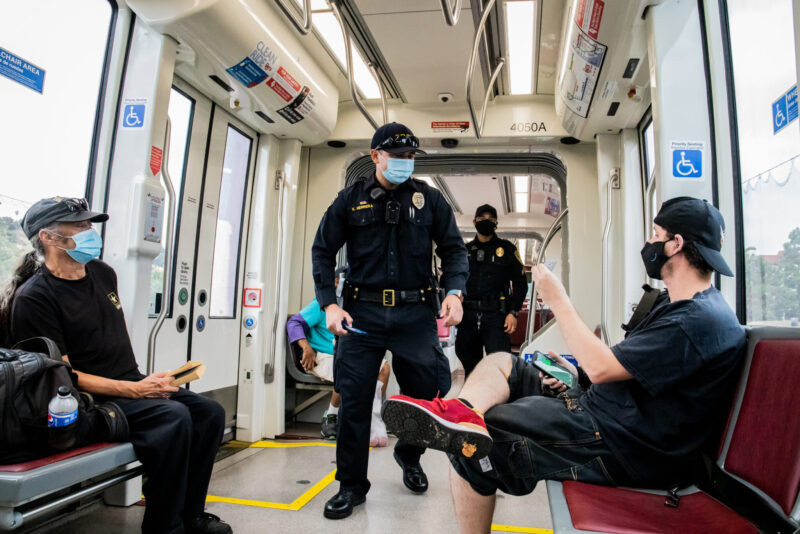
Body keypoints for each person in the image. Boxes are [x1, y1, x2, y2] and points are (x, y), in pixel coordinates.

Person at [382, 197, 746, 534]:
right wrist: (579, 377)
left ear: (675, 244)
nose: (649, 242)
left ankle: (469, 427)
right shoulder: (676, 307)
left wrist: (558, 299)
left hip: (619, 442)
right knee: (503, 362)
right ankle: (462, 411)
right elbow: (623, 369)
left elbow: (604, 368)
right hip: (607, 409)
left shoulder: (695, 321)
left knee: (474, 445)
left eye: (656, 234)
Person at [1, 197, 231, 534]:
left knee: (210, 413)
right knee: (173, 418)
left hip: (127, 383)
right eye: (79, 226)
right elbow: (63, 378)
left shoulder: (102, 273)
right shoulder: (35, 297)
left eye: (89, 225)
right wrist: (136, 390)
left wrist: (146, 382)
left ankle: (192, 515)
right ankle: (165, 527)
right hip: (86, 400)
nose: (89, 232)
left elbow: (112, 342)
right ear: (48, 237)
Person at [311, 122, 468, 519]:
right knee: (354, 397)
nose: (405, 162)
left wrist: (454, 291)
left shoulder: (429, 200)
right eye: (397, 156)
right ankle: (351, 486)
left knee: (427, 393)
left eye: (411, 156)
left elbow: (453, 250)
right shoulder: (350, 200)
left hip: (415, 313)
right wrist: (328, 304)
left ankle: (409, 454)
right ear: (375, 156)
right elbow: (322, 251)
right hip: (361, 314)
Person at [286, 270, 391, 445]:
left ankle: (373, 416)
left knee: (384, 367)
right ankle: (331, 416)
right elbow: (294, 323)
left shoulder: (352, 306)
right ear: (336, 282)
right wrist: (306, 347)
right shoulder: (322, 304)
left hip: (346, 354)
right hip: (321, 356)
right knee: (347, 367)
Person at [457, 204, 528, 375]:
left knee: (500, 366)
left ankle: (499, 393)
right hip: (468, 317)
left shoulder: (508, 249)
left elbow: (520, 284)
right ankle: (472, 393)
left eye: (491, 219)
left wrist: (514, 312)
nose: (486, 221)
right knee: (470, 368)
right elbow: (455, 280)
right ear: (474, 222)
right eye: (482, 218)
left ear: (496, 223)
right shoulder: (464, 251)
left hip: (497, 317)